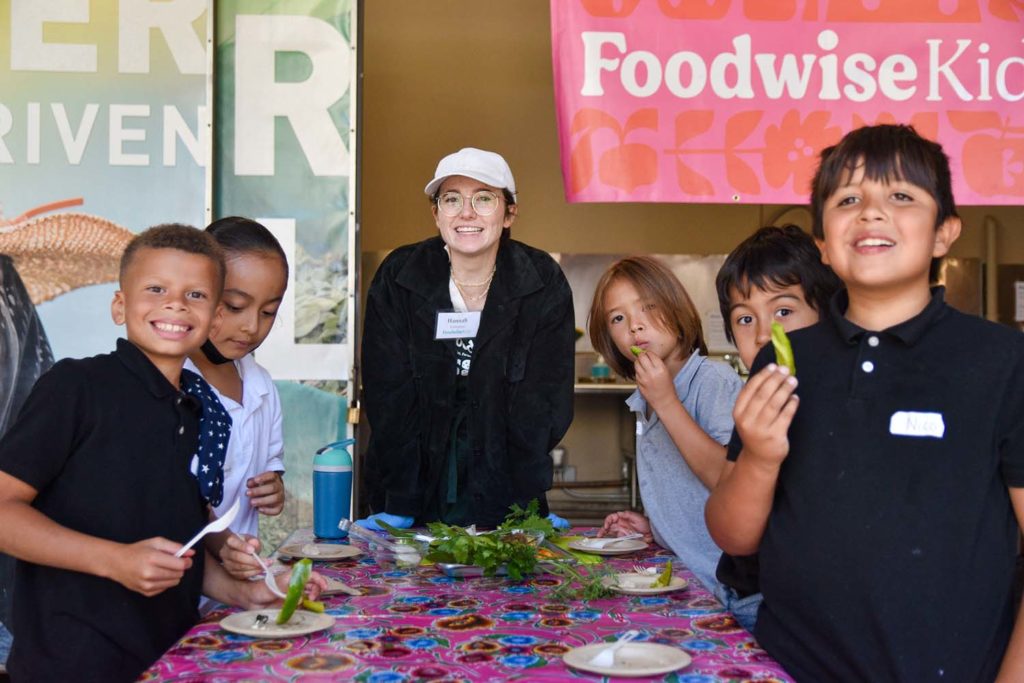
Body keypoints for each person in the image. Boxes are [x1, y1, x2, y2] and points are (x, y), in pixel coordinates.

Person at [705, 124, 1024, 682]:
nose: (871, 213)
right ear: (824, 243)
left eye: (900, 197)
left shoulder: (1002, 362)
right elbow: (734, 537)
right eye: (848, 200)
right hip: (786, 668)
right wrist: (759, 455)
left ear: (945, 232)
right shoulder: (781, 362)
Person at [0, 225, 322, 681]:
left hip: (166, 657)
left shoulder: (193, 410)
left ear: (211, 318)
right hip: (73, 662)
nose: (175, 304)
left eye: (195, 294)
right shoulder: (76, 387)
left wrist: (248, 592)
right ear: (119, 305)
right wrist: (116, 560)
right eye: (156, 289)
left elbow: (181, 545)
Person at [360, 147, 575, 530]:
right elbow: (387, 393)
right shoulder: (399, 276)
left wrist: (526, 501)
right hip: (409, 477)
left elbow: (544, 401)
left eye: (484, 199)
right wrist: (402, 497)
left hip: (506, 482)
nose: (466, 213)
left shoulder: (541, 279)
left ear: (509, 213)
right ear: (436, 213)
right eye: (452, 199)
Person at [704, 224, 843, 630]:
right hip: (744, 595)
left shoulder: (842, 401)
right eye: (745, 319)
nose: (765, 333)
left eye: (784, 311)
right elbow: (730, 529)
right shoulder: (755, 402)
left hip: (803, 613)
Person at [590, 255, 743, 617]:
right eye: (618, 318)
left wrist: (666, 401)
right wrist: (656, 526)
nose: (635, 326)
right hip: (686, 583)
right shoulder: (647, 396)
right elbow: (686, 493)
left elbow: (729, 480)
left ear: (676, 308)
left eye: (648, 307)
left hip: (726, 589)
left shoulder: (712, 381)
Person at [183, 217, 288, 578]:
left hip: (240, 589)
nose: (251, 326)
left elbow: (269, 462)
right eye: (234, 305)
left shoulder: (261, 386)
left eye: (268, 312)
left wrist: (274, 487)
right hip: (175, 587)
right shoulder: (171, 384)